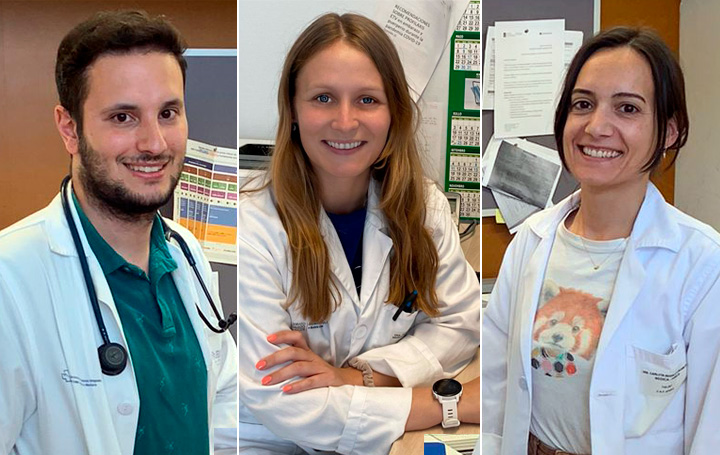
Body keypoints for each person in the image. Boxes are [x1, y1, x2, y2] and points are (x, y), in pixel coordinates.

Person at [237, 12, 481, 455]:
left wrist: (358, 377)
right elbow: (283, 400)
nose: (345, 122)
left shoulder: (424, 209)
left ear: (394, 113)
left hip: (385, 439)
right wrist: (447, 403)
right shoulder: (253, 226)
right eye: (323, 98)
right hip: (268, 444)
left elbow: (460, 325)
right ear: (292, 110)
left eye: (367, 100)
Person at [0, 11, 237, 455]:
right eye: (123, 117)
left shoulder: (186, 255)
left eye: (168, 113)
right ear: (69, 128)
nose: (154, 143)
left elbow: (222, 400)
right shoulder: (11, 278)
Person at [482, 26, 720, 455]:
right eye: (583, 104)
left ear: (668, 131)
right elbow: (496, 389)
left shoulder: (701, 264)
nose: (596, 126)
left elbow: (711, 430)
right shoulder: (532, 241)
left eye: (627, 108)